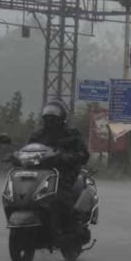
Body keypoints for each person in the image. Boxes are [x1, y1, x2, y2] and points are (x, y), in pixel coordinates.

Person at [27, 100, 90, 237]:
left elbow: (84, 154)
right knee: (26, 192)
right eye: (48, 117)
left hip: (65, 173)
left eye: (54, 118)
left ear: (62, 118)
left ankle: (66, 229)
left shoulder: (72, 134)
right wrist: (16, 155)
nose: (50, 120)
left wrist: (65, 157)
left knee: (58, 197)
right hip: (40, 174)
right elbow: (28, 149)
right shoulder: (38, 135)